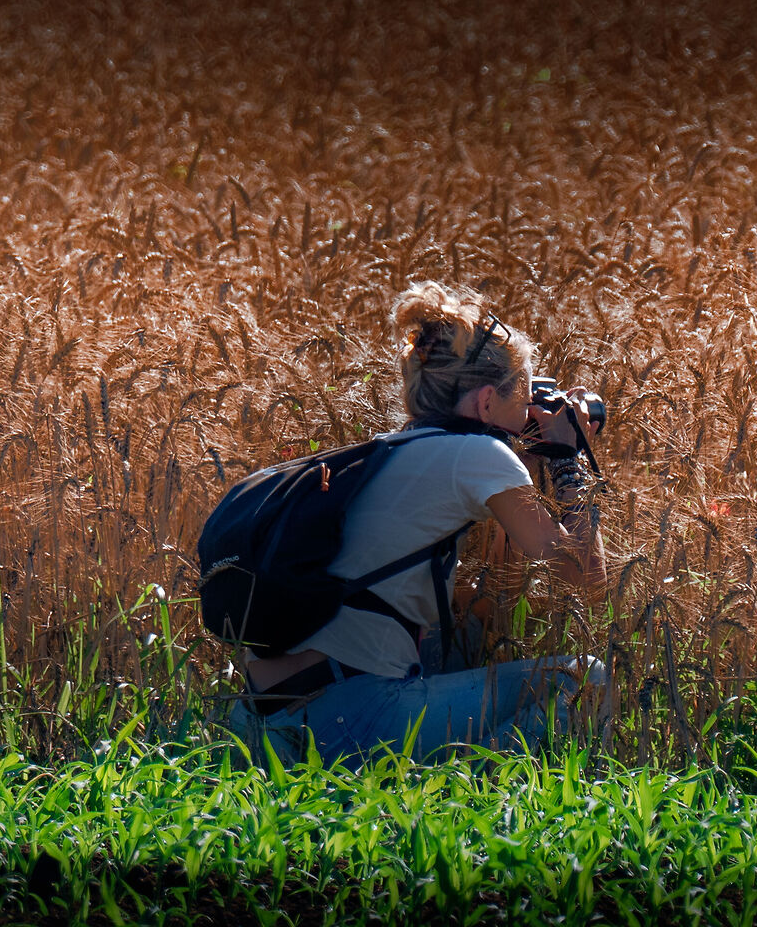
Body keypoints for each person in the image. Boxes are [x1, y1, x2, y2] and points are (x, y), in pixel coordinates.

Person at [226, 282, 612, 762]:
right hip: (347, 719)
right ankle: (467, 792)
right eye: (525, 395)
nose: (530, 409)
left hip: (260, 722)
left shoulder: (393, 451)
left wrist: (528, 470)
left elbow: (493, 609)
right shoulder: (481, 455)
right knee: (587, 680)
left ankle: (438, 775)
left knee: (468, 638)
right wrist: (566, 458)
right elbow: (588, 584)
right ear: (487, 402)